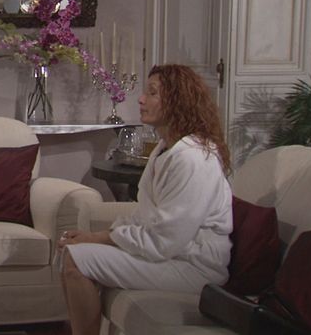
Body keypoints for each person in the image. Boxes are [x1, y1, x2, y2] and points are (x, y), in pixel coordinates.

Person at [57, 64, 232, 335]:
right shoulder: (164, 149)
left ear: (178, 101)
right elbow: (145, 217)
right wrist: (99, 236)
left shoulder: (193, 159)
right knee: (72, 252)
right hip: (172, 255)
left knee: (77, 260)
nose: (140, 99)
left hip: (194, 267)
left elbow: (164, 240)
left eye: (152, 93)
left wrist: (97, 239)